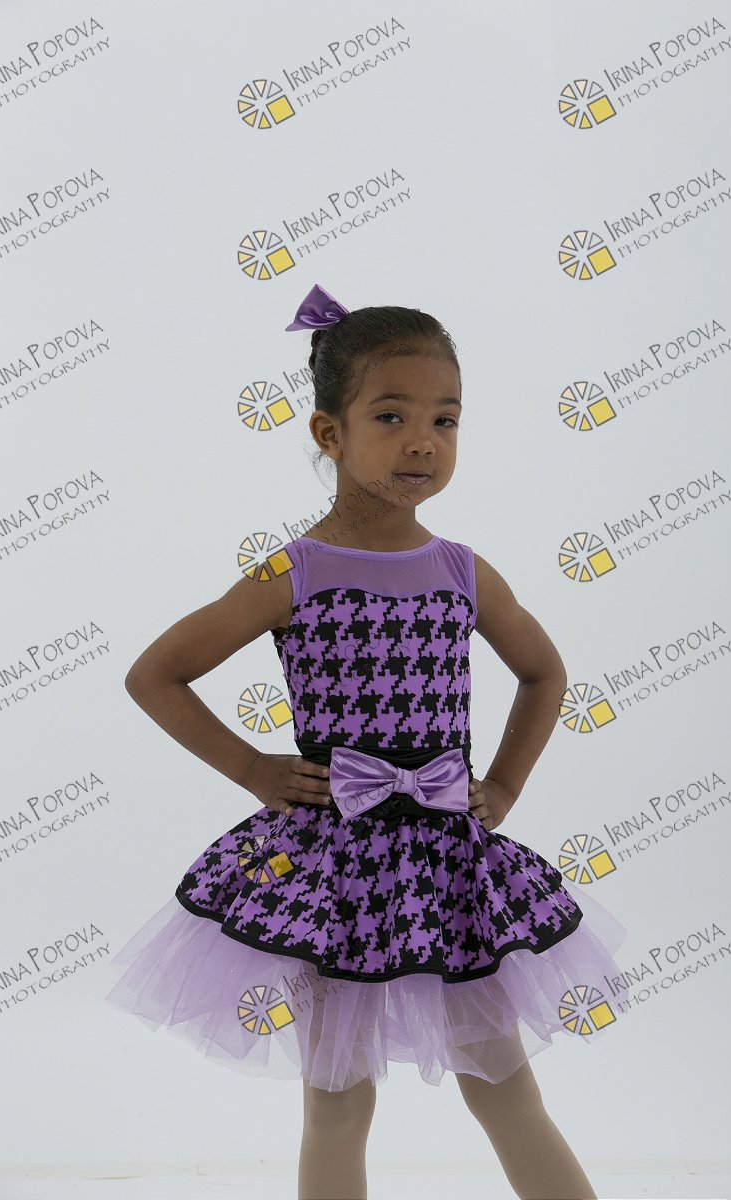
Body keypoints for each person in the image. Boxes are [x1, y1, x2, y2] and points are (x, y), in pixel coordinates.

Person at [104, 282, 631, 1200]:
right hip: (333, 870)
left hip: (451, 866)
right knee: (338, 1102)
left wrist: (503, 787)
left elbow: (544, 672)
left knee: (505, 1088)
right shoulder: (293, 571)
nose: (423, 440)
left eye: (445, 420)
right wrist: (256, 769)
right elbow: (156, 674)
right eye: (391, 416)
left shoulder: (461, 570)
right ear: (329, 433)